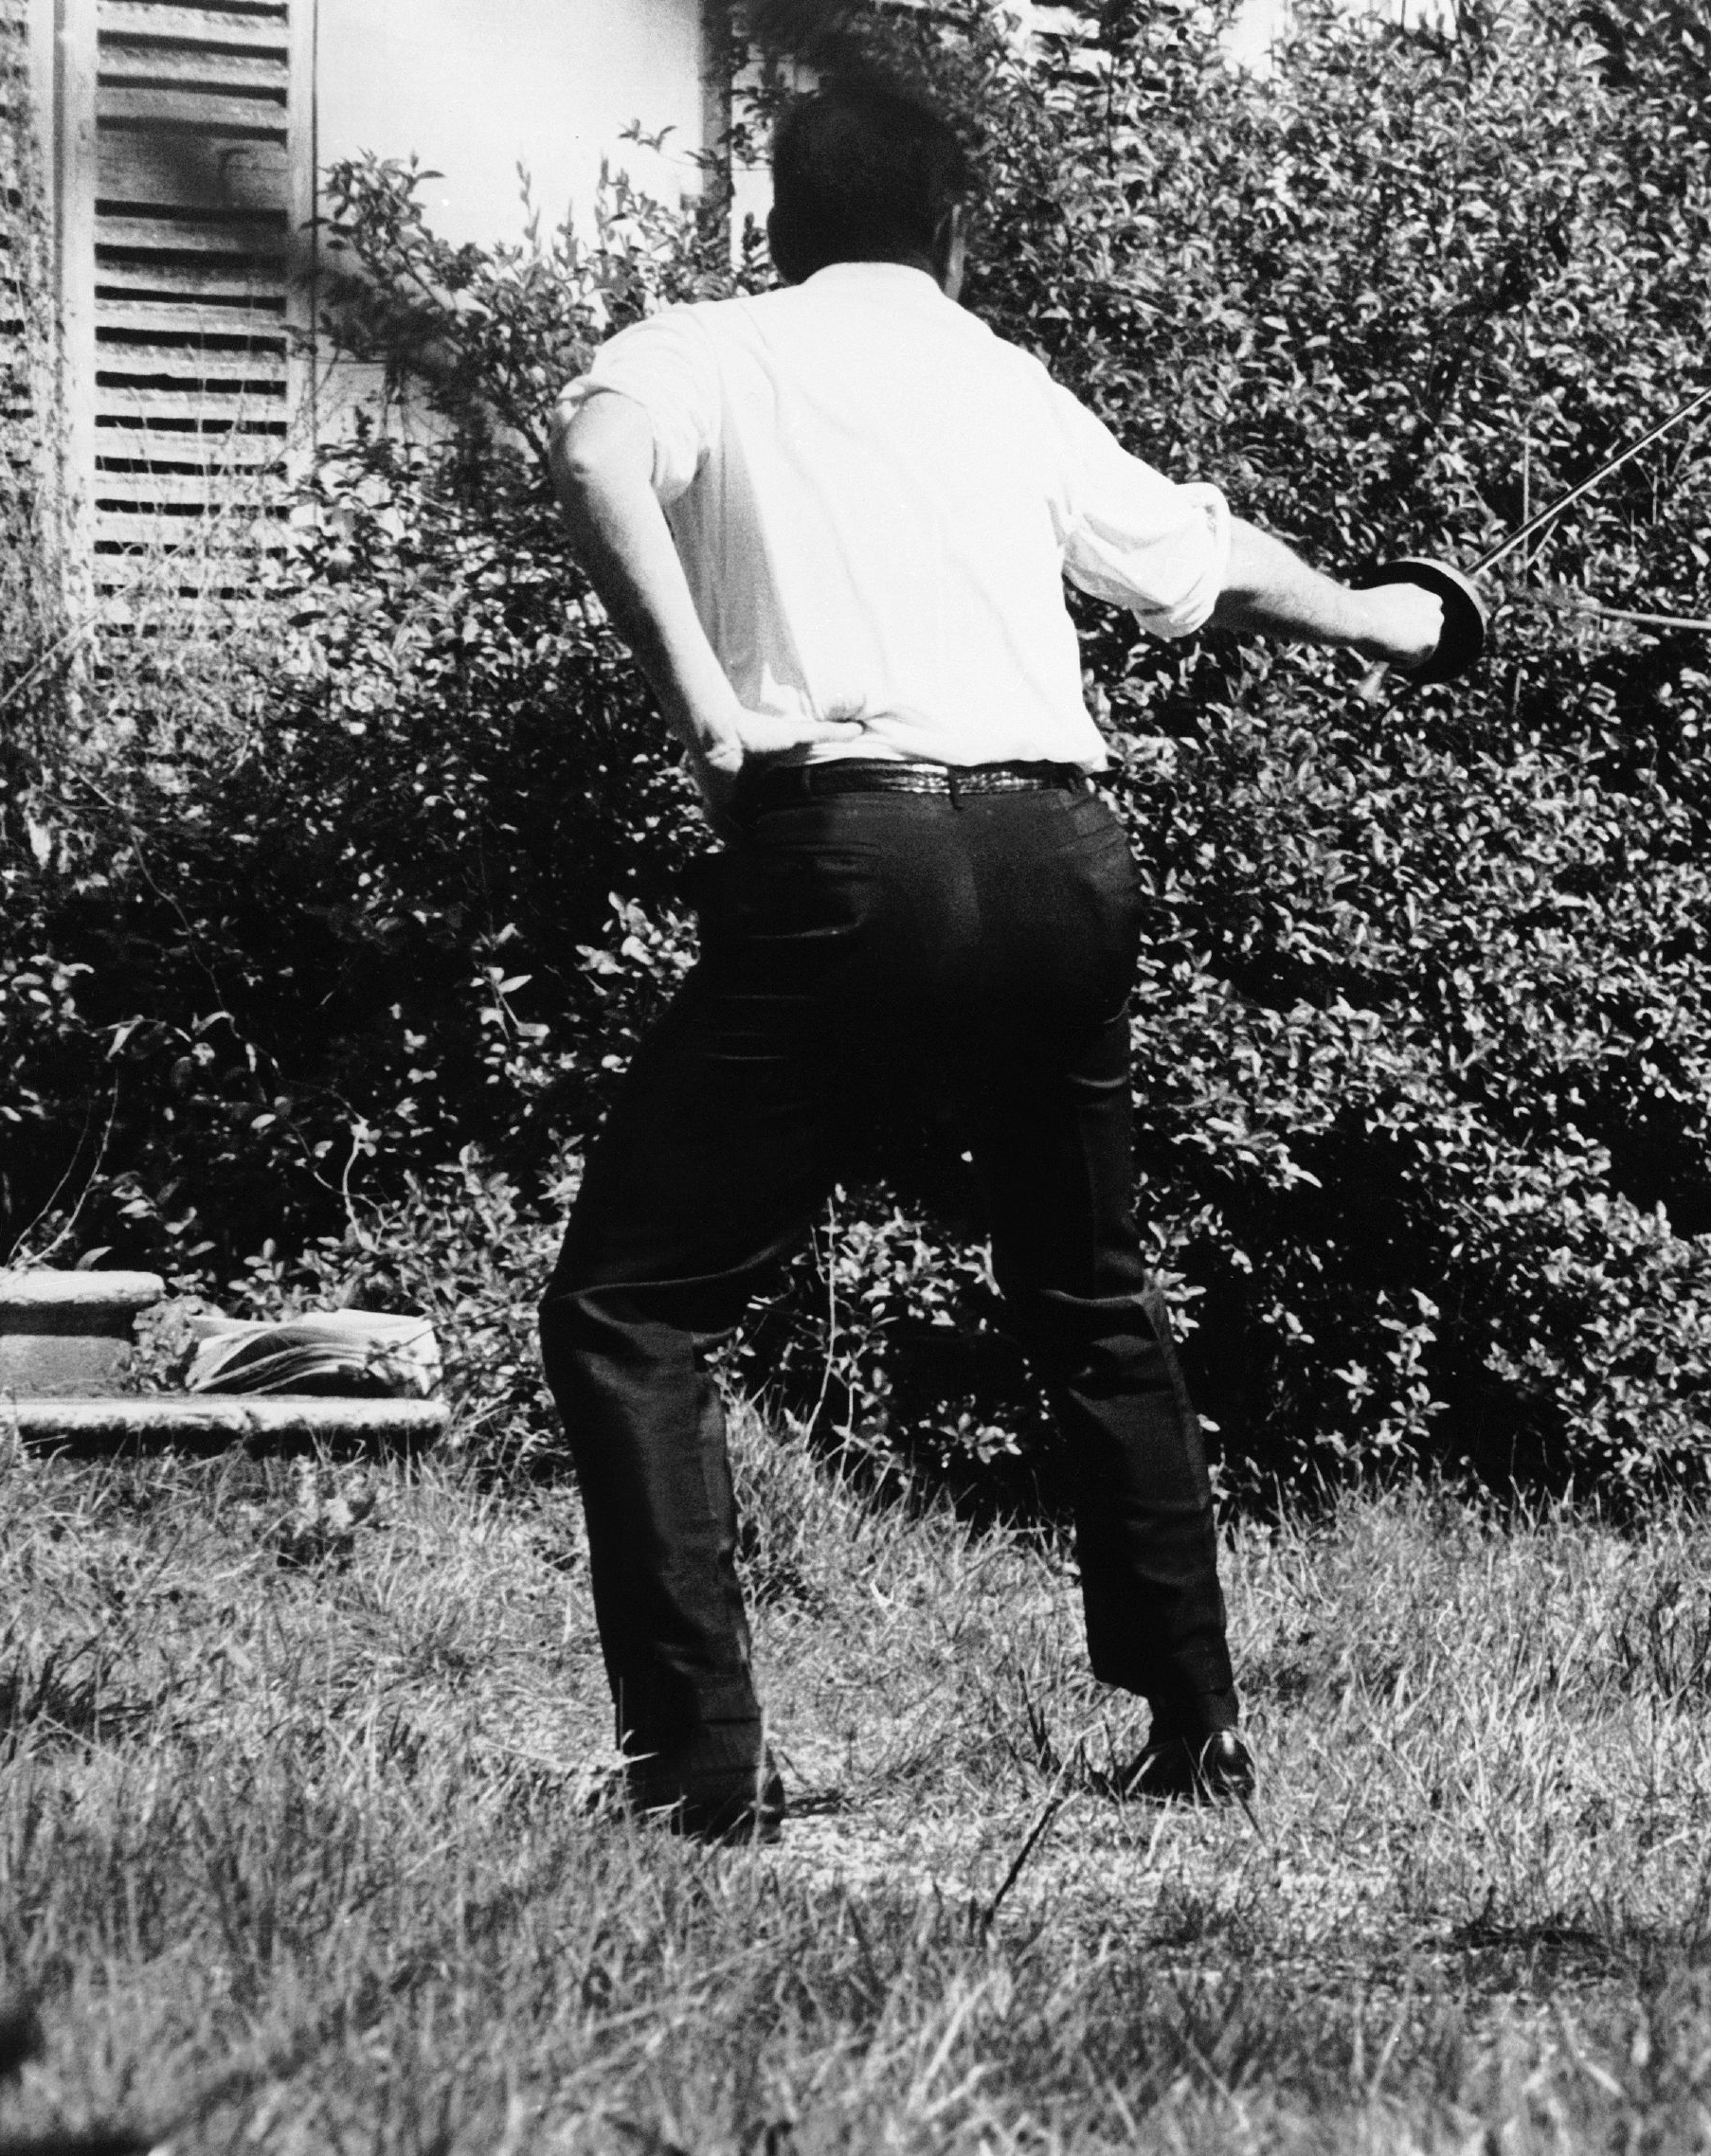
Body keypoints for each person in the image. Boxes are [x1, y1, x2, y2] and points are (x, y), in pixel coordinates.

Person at [541, 72, 1450, 1842]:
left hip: (850, 850)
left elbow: (591, 459)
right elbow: (1199, 562)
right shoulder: (1001, 380)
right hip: (1055, 858)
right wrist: (1389, 615)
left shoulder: (703, 344)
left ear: (774, 221)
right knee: (1089, 1292)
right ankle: (1197, 1732)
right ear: (952, 227)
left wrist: (706, 710)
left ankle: (701, 1770)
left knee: (634, 1310)